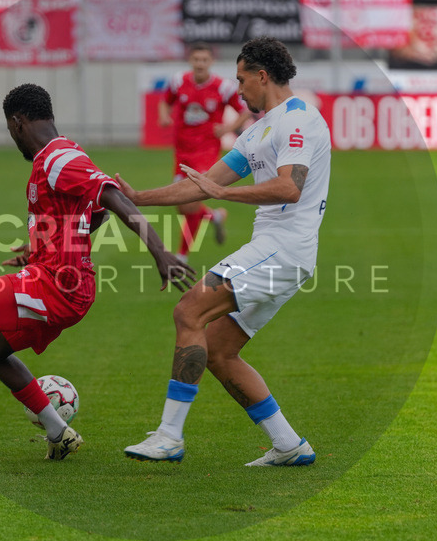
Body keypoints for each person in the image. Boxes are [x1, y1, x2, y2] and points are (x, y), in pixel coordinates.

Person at [0, 83, 194, 460]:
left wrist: (160, 252)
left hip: (57, 284)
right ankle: (58, 431)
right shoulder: (62, 155)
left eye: (10, 130)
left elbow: (114, 197)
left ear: (17, 123)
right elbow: (95, 213)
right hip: (62, 281)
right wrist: (39, 245)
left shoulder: (57, 158)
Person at [120, 37, 330, 466]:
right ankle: (289, 445)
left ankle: (169, 436)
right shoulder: (256, 130)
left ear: (262, 76)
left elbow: (291, 186)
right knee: (218, 350)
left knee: (187, 312)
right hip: (274, 250)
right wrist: (136, 196)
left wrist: (223, 195)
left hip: (285, 248)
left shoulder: (298, 119)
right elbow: (200, 183)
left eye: (241, 79)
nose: (237, 90)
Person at [159, 42, 251, 263]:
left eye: (204, 60)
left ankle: (181, 256)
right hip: (182, 152)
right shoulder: (178, 81)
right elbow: (165, 101)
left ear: (211, 62)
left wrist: (228, 128)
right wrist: (164, 116)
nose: (200, 64)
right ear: (191, 60)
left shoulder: (223, 87)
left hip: (206, 153)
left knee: (189, 202)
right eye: (196, 59)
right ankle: (214, 216)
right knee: (182, 206)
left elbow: (245, 110)